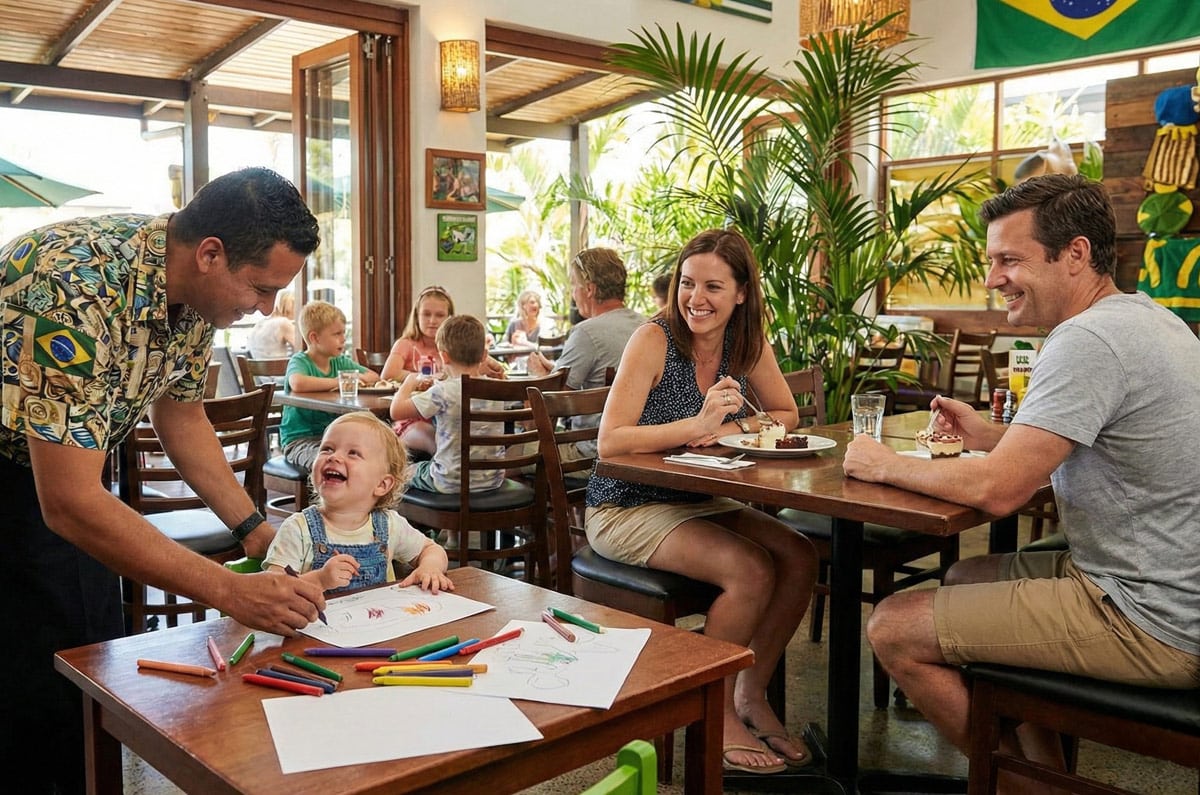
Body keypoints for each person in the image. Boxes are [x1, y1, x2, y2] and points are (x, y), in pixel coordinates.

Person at [843, 174, 1200, 792]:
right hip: (1167, 580)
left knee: (892, 626)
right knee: (963, 575)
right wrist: (988, 436)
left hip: (1153, 614)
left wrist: (879, 463)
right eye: (992, 260)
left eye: (1010, 259)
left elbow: (1000, 493)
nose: (992, 278)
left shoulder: (1087, 339)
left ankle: (1031, 790)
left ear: (1076, 254)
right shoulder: (1145, 318)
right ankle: (1042, 774)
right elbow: (1078, 443)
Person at [0, 166, 328, 793]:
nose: (264, 309)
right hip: (17, 473)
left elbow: (179, 413)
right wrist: (228, 592)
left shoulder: (197, 294)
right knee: (32, 684)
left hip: (67, 464)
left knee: (91, 655)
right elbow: (67, 503)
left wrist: (255, 529)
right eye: (260, 289)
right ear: (211, 254)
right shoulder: (75, 287)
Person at [585, 228, 818, 774]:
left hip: (697, 499)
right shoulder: (654, 338)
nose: (697, 298)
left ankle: (749, 694)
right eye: (688, 283)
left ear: (741, 292)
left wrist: (731, 425)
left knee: (801, 555)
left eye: (714, 286)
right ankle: (713, 709)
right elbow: (609, 441)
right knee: (750, 569)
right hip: (625, 506)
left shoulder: (745, 341)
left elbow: (787, 415)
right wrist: (697, 424)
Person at [263, 411, 453, 595]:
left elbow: (432, 549)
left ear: (382, 484)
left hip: (378, 623)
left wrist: (430, 568)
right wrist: (319, 580)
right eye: (327, 448)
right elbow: (273, 589)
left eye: (353, 453)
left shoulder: (388, 525)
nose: (333, 456)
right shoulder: (298, 529)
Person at [527, 247, 645, 460]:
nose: (572, 293)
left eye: (573, 285)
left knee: (507, 457)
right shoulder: (646, 326)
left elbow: (551, 406)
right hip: (638, 449)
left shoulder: (586, 332)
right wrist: (553, 372)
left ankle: (549, 494)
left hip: (592, 453)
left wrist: (537, 376)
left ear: (589, 289)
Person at [380, 285, 504, 453]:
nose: (432, 320)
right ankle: (448, 473)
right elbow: (388, 375)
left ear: (450, 318)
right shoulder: (406, 344)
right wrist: (422, 378)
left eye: (440, 315)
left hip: (449, 419)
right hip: (414, 419)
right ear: (416, 316)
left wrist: (492, 368)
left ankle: (454, 472)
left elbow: (487, 364)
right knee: (437, 439)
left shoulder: (456, 347)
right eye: (426, 314)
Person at [389, 314, 506, 492]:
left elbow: (396, 411)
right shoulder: (497, 388)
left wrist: (409, 383)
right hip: (493, 480)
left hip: (449, 481)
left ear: (443, 357)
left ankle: (402, 519)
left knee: (401, 472)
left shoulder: (442, 391)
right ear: (483, 356)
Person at [281, 300, 380, 471]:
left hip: (335, 441)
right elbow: (297, 383)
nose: (343, 339)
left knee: (369, 458)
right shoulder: (300, 361)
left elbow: (373, 376)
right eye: (336, 334)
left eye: (344, 333)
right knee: (329, 464)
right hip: (300, 440)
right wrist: (340, 382)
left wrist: (355, 378)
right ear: (314, 338)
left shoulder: (339, 362)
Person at [247, 290, 297, 359]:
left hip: (259, 369)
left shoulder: (259, 325)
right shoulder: (283, 323)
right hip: (281, 369)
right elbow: (303, 348)